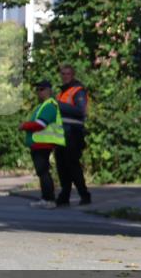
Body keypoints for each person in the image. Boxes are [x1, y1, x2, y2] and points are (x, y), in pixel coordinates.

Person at [19, 80, 66, 210]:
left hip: (43, 144)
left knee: (43, 172)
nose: (38, 92)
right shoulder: (41, 106)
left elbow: (41, 124)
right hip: (38, 144)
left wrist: (24, 126)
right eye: (37, 90)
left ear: (48, 91)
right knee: (42, 172)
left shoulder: (50, 106)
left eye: (41, 89)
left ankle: (49, 199)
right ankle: (45, 198)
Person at [54, 64, 92, 206]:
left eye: (68, 74)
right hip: (61, 134)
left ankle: (84, 195)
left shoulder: (78, 90)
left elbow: (81, 111)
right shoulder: (62, 92)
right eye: (63, 73)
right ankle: (65, 196)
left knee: (72, 165)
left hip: (73, 134)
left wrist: (59, 105)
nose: (65, 76)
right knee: (62, 166)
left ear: (73, 75)